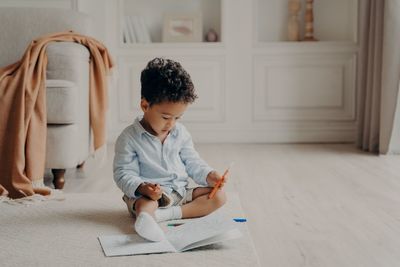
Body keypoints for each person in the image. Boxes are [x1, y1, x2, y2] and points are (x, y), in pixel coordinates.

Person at [113, 57, 227, 242]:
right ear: (145, 105)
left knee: (219, 197)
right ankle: (147, 218)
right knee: (145, 204)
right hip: (151, 197)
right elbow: (123, 173)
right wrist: (143, 187)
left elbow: (192, 161)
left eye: (177, 118)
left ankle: (166, 215)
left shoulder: (180, 133)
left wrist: (209, 175)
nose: (171, 124)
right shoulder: (129, 138)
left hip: (180, 193)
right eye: (166, 117)